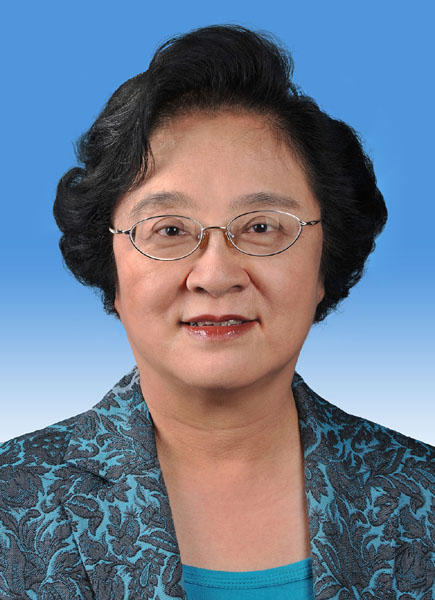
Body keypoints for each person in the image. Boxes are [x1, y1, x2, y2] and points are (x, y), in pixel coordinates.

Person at [0, 24, 433, 600]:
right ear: (111, 272)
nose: (215, 274)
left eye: (261, 227)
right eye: (169, 230)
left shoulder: (421, 497)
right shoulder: (12, 501)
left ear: (324, 266)